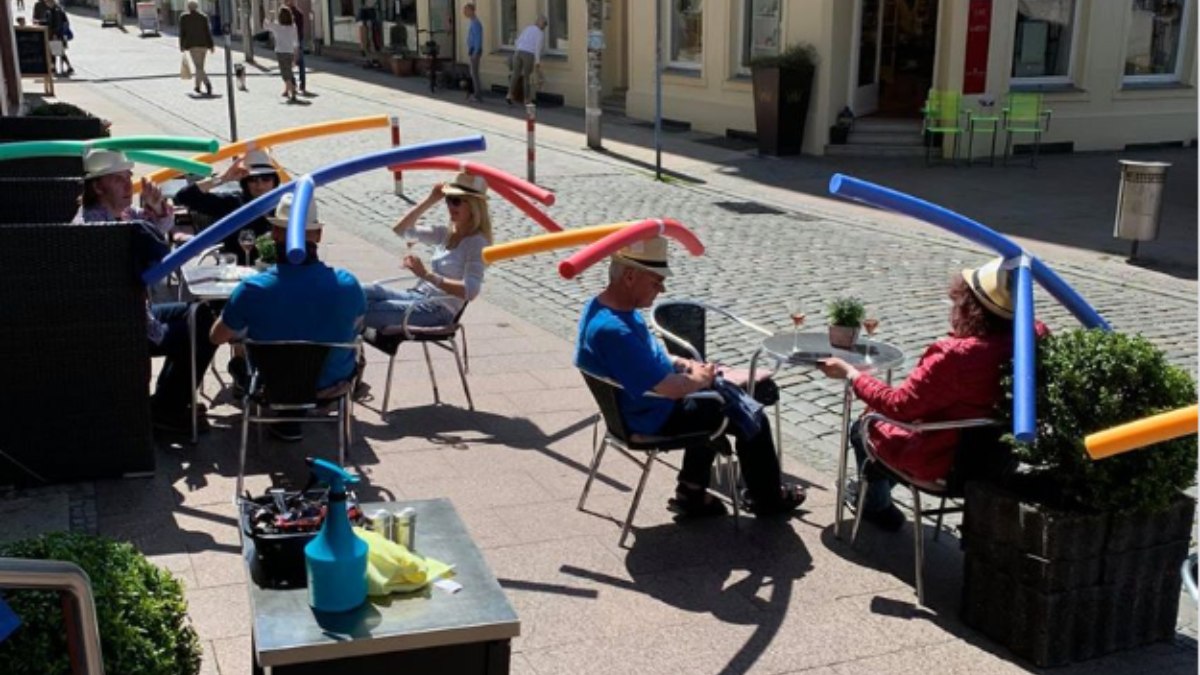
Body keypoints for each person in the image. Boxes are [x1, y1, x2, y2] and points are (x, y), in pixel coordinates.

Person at [574, 237, 806, 518]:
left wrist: (683, 363)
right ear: (630, 276)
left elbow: (648, 357)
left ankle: (692, 490)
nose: (662, 288)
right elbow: (672, 389)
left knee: (746, 393)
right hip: (653, 416)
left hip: (640, 407)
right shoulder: (614, 331)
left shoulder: (604, 309)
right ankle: (767, 500)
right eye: (656, 281)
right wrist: (702, 379)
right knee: (751, 412)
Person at [817, 257, 1049, 531]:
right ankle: (873, 491)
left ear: (968, 305)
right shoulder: (1034, 336)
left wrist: (851, 374)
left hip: (943, 462)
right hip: (997, 462)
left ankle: (876, 506)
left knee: (863, 427)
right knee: (880, 424)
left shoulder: (956, 355)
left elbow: (898, 405)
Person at [73, 150, 217, 435]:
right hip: (121, 328)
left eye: (128, 177)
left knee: (201, 314)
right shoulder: (94, 229)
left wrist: (154, 207)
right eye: (118, 180)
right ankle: (168, 408)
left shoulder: (118, 215)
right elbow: (152, 247)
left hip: (137, 314)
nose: (129, 186)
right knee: (205, 330)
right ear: (97, 186)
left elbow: (156, 228)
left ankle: (167, 402)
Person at [210, 193, 365, 442]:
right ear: (319, 235)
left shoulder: (253, 289)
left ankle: (285, 420)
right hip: (331, 385)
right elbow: (357, 325)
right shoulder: (348, 284)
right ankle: (291, 423)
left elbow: (216, 337)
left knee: (239, 354)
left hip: (271, 385)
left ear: (274, 234)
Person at [360, 171, 491, 330]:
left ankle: (337, 350)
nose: (450, 206)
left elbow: (471, 291)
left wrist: (426, 275)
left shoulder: (477, 243)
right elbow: (401, 230)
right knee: (359, 291)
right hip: (418, 296)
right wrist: (430, 200)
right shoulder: (446, 233)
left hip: (437, 310)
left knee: (358, 310)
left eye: (456, 201)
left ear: (473, 205)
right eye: (448, 200)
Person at [173, 149, 282, 265]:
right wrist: (223, 178)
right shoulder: (234, 203)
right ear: (246, 182)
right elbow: (183, 197)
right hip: (240, 271)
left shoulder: (285, 204)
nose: (260, 185)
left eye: (266, 179)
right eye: (253, 179)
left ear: (274, 181)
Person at [506, 15, 545, 105]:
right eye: (544, 24)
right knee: (526, 77)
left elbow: (518, 40)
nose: (545, 27)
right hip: (528, 54)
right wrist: (537, 61)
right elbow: (537, 48)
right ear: (540, 23)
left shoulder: (528, 28)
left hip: (518, 52)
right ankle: (527, 99)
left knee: (515, 74)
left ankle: (509, 94)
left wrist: (517, 50)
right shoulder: (540, 33)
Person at [178, 0, 214, 96]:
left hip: (193, 45)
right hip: (204, 45)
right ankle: (197, 86)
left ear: (188, 7)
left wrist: (181, 45)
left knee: (198, 67)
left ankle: (208, 84)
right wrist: (211, 45)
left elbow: (182, 33)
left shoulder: (184, 17)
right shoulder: (203, 17)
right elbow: (208, 32)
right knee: (200, 66)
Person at [266, 6, 300, 102]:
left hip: (281, 52)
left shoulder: (277, 27)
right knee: (289, 71)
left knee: (285, 74)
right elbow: (296, 43)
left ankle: (293, 91)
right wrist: (295, 57)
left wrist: (269, 16)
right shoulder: (293, 27)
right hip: (290, 52)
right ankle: (286, 90)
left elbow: (265, 26)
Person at [282, 0, 308, 94]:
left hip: (295, 41)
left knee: (298, 63)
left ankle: (298, 85)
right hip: (294, 41)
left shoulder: (296, 13)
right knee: (295, 63)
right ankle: (295, 85)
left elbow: (298, 29)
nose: (285, 3)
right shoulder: (286, 13)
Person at [45, 0, 73, 76]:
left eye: (47, 2)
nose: (46, 3)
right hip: (59, 35)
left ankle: (55, 68)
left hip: (56, 35)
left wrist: (54, 34)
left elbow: (56, 23)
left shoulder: (55, 11)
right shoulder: (58, 10)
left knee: (56, 52)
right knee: (59, 51)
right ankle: (65, 67)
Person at [463, 2, 483, 103]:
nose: (464, 12)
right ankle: (475, 93)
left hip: (475, 50)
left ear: (471, 11)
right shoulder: (472, 22)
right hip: (472, 50)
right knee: (473, 73)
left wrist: (475, 52)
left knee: (474, 73)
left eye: (466, 10)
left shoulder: (475, 23)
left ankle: (477, 95)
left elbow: (478, 39)